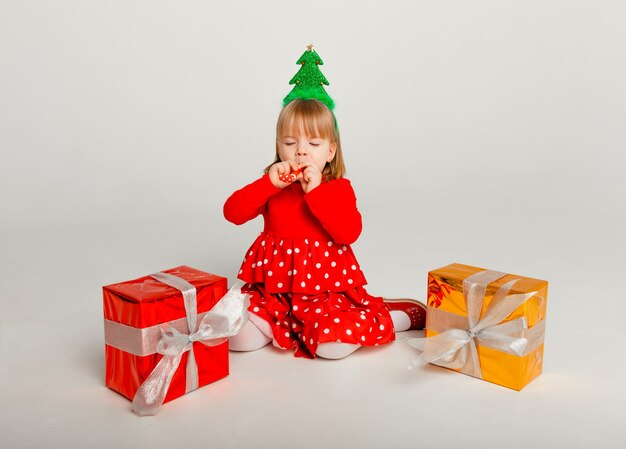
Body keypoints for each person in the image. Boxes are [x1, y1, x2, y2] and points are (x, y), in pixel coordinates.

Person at [223, 46, 425, 360]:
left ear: (330, 151)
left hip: (325, 294)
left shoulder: (337, 187)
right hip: (274, 292)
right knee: (237, 338)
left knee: (333, 349)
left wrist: (316, 191)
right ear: (279, 146)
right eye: (290, 143)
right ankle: (282, 324)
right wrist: (268, 184)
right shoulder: (274, 184)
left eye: (313, 144)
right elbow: (232, 212)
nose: (301, 152)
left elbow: (348, 233)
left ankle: (396, 316)